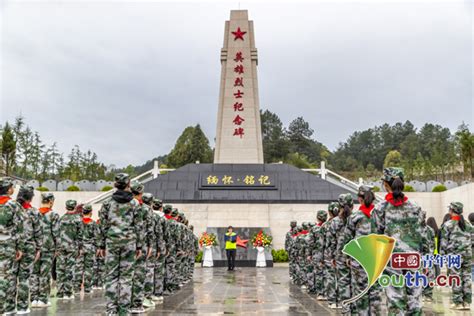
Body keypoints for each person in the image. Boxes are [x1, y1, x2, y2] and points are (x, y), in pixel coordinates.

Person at [372, 167, 425, 315]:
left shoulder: (380, 208)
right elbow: (423, 235)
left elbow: (376, 237)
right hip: (413, 259)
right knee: (414, 300)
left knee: (395, 300)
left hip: (391, 260)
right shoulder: (415, 207)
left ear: (386, 185)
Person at [98, 173, 143, 315]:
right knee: (126, 277)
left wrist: (101, 245)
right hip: (129, 243)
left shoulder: (107, 203)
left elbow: (102, 225)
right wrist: (139, 246)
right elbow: (139, 226)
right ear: (129, 184)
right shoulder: (135, 203)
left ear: (115, 184)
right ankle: (124, 310)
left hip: (112, 242)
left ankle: (112, 309)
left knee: (111, 276)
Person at [342, 185, 381, 315]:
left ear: (360, 199)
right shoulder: (380, 215)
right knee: (376, 293)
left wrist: (346, 259)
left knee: (360, 293)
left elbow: (347, 240)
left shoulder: (355, 217)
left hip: (359, 261)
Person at [12, 185, 42, 314]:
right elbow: (38, 232)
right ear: (30, 198)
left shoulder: (10, 208)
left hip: (11, 246)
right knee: (24, 278)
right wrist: (39, 249)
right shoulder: (34, 212)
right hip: (29, 247)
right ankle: (22, 307)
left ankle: (9, 306)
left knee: (10, 276)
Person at [440, 202, 473, 310]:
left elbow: (444, 243)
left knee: (456, 277)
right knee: (467, 277)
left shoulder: (448, 224)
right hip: (467, 254)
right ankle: (467, 302)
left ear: (451, 210)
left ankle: (458, 302)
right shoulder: (468, 225)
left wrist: (443, 256)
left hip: (454, 255)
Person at [0, 178, 24, 315]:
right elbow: (19, 228)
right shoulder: (13, 205)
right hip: (7, 244)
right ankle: (4, 308)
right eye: (12, 187)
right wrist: (19, 247)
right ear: (8, 189)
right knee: (6, 276)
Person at [31, 192, 59, 308]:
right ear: (51, 201)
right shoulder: (53, 215)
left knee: (34, 274)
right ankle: (42, 299)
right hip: (48, 248)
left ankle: (33, 299)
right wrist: (58, 248)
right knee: (45, 274)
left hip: (35, 248)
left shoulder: (34, 213)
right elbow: (56, 233)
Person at [57, 199, 82, 299]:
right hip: (72, 247)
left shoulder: (61, 218)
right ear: (75, 207)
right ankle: (68, 292)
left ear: (66, 207)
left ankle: (60, 292)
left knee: (60, 269)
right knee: (70, 269)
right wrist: (80, 248)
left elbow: (57, 233)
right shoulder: (78, 219)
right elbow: (80, 235)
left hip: (61, 246)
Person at [333, 193, 353, 314]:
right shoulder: (356, 218)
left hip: (340, 256)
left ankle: (346, 309)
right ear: (352, 206)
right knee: (355, 282)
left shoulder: (335, 222)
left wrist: (332, 257)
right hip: (356, 256)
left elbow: (331, 241)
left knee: (343, 283)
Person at [324, 202, 340, 309]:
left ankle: (332, 301)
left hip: (330, 254)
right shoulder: (345, 220)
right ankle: (340, 299)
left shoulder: (327, 225)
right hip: (342, 254)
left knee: (330, 277)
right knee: (341, 278)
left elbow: (327, 242)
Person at [78, 204, 96, 294]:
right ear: (91, 212)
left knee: (78, 268)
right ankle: (88, 288)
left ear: (82, 212)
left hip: (79, 248)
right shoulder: (93, 223)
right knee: (89, 268)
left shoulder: (78, 222)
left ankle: (76, 288)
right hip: (90, 248)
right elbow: (96, 236)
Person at [152, 198, 167, 302]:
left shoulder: (148, 214)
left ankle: (147, 294)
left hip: (146, 246)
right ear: (161, 207)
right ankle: (157, 293)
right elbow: (165, 234)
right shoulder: (162, 218)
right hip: (159, 247)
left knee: (147, 270)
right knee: (158, 270)